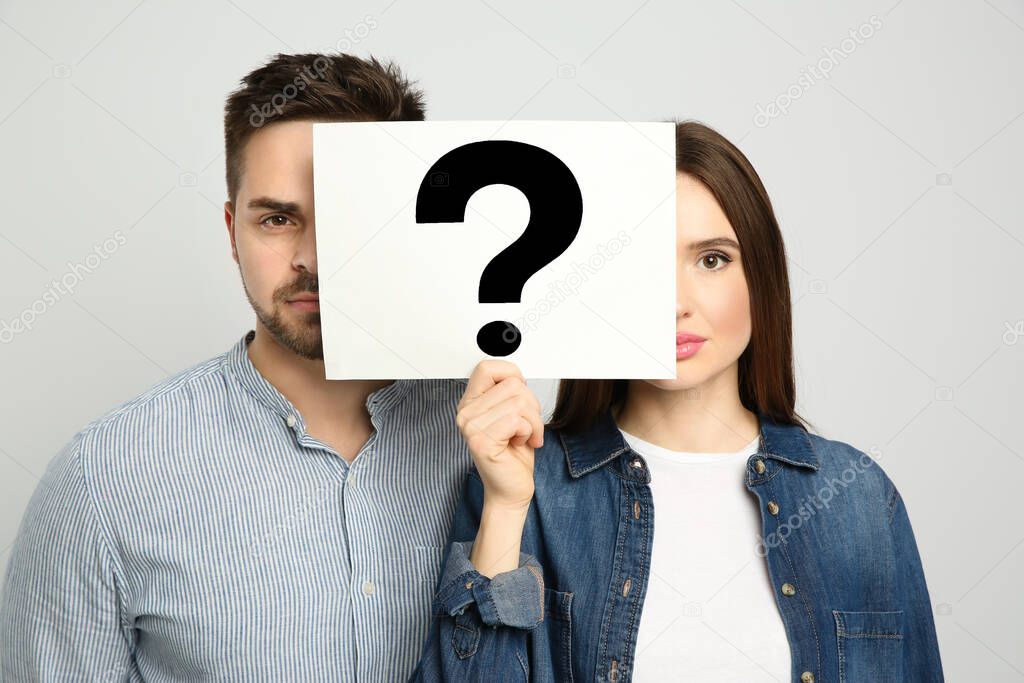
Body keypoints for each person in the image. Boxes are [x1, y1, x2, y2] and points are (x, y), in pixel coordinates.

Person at [0, 53, 525, 681]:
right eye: (277, 219)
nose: (309, 256)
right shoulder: (105, 477)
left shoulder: (501, 442)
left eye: (346, 217)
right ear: (231, 231)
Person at [413, 121, 944, 682]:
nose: (674, 304)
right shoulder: (527, 488)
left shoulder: (856, 493)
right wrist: (503, 506)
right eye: (641, 264)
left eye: (712, 259)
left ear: (760, 278)